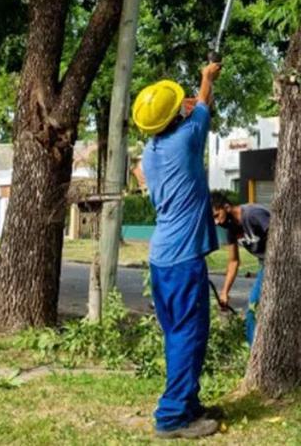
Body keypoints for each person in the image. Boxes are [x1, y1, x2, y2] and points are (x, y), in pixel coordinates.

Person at [134, 62, 222, 439]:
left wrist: (182, 106)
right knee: (189, 334)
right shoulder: (187, 140)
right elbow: (203, 104)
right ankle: (172, 417)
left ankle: (187, 402)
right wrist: (206, 79)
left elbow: (191, 109)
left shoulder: (150, 153)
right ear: (175, 117)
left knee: (176, 333)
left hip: (161, 258)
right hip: (184, 260)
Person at [211, 195, 270, 347]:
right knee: (253, 310)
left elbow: (281, 237)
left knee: (255, 309)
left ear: (226, 207)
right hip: (265, 265)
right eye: (214, 220)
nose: (218, 222)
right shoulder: (231, 228)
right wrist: (224, 292)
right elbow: (233, 261)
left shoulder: (253, 214)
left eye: (217, 216)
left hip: (279, 265)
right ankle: (254, 353)